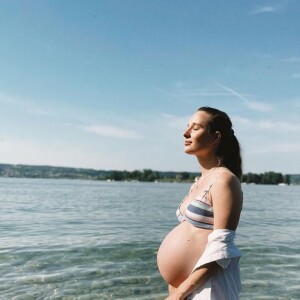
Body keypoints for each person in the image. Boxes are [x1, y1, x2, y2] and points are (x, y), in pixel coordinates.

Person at [157, 106, 243, 300]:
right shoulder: (201, 181)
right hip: (188, 289)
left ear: (215, 137)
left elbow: (222, 249)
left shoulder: (224, 180)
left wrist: (180, 292)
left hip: (209, 289)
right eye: (187, 127)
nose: (185, 133)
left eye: (195, 128)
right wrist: (175, 286)